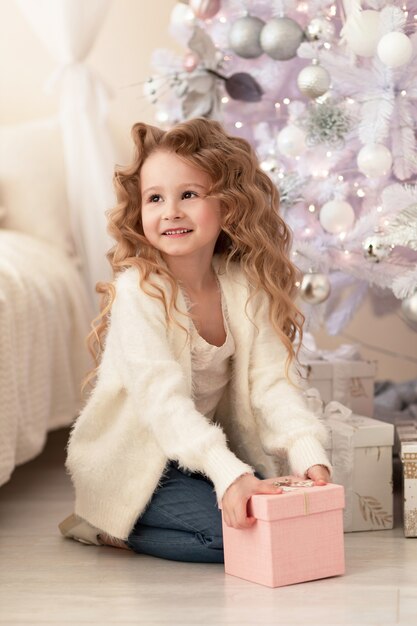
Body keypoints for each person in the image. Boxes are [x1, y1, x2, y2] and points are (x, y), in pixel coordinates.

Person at [59, 117, 331, 563]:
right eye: (155, 198)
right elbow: (163, 405)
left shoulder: (245, 286)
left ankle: (193, 499)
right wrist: (227, 473)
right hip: (137, 461)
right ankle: (108, 526)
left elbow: (271, 385)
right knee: (233, 540)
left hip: (200, 452)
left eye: (189, 194)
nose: (171, 211)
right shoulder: (140, 292)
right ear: (139, 210)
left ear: (227, 204)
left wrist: (305, 450)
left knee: (276, 521)